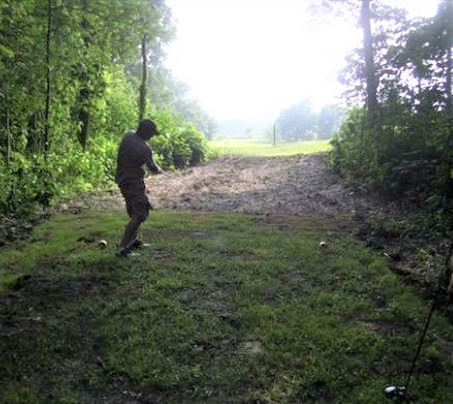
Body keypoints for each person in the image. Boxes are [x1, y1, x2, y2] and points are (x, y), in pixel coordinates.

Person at [115, 119, 162, 257]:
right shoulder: (145, 148)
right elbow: (153, 168)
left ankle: (133, 241)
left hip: (122, 179)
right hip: (133, 181)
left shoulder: (128, 135)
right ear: (146, 132)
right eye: (152, 134)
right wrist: (160, 170)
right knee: (140, 213)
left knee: (134, 211)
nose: (152, 136)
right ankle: (122, 248)